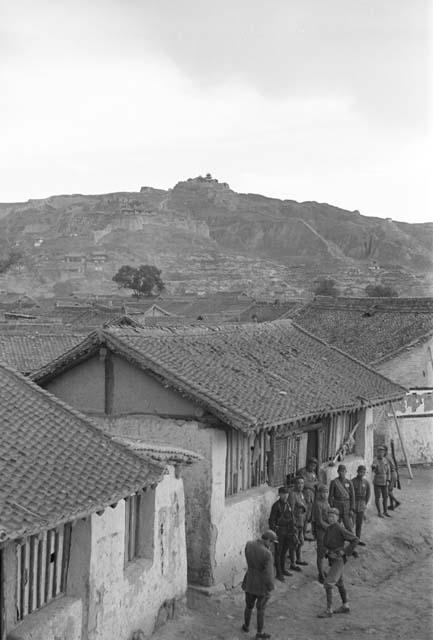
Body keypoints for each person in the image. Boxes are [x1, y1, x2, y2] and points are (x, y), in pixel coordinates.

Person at [317, 507, 359, 618]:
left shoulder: (340, 528)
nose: (330, 518)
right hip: (332, 558)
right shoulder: (329, 528)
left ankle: (329, 610)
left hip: (338, 560)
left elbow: (355, 539)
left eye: (333, 516)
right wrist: (326, 552)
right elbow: (327, 544)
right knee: (339, 583)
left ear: (337, 517)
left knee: (328, 583)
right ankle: (345, 606)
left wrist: (345, 552)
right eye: (329, 516)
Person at [241, 529, 278, 640]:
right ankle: (259, 633)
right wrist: (271, 587)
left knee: (248, 606)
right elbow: (269, 573)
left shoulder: (249, 544)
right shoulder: (267, 554)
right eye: (271, 542)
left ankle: (246, 626)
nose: (271, 545)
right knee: (261, 609)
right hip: (261, 585)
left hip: (249, 580)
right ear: (267, 540)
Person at [268, 486, 296, 581]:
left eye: (287, 494)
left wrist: (293, 530)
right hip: (279, 532)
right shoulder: (276, 506)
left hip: (287, 531)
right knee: (278, 552)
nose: (285, 496)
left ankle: (283, 569)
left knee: (284, 551)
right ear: (279, 494)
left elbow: (291, 518)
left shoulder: (288, 504)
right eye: (283, 494)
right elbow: (271, 521)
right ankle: (279, 573)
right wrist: (274, 534)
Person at [312, 483, 330, 583]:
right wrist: (328, 527)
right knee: (320, 554)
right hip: (321, 531)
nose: (325, 494)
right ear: (319, 493)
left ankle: (323, 571)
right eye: (323, 492)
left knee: (325, 552)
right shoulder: (317, 504)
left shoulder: (326, 503)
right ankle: (321, 574)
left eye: (326, 492)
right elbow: (319, 521)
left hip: (327, 530)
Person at [288, 477, 308, 569]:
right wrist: (293, 524)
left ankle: (299, 559)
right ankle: (293, 563)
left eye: (302, 483)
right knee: (294, 543)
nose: (301, 485)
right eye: (299, 483)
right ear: (295, 484)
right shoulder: (292, 495)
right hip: (295, 522)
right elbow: (291, 510)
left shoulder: (301, 494)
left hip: (301, 521)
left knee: (300, 542)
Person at [328, 464, 355, 531]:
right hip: (337, 505)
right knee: (336, 526)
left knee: (349, 527)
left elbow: (352, 496)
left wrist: (351, 509)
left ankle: (353, 540)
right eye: (340, 471)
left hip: (347, 506)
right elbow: (330, 496)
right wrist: (332, 507)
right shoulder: (334, 482)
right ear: (338, 472)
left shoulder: (349, 482)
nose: (342, 473)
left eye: (343, 471)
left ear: (346, 472)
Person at [298, 457, 319, 540]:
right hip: (303, 498)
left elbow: (317, 481)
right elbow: (304, 484)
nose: (313, 467)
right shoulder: (302, 472)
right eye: (311, 465)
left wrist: (311, 484)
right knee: (301, 517)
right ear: (308, 464)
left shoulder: (313, 473)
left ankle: (303, 534)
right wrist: (312, 485)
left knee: (307, 517)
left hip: (311, 498)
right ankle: (300, 535)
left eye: (314, 466)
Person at [351, 465, 370, 544]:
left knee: (359, 523)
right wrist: (351, 505)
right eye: (360, 472)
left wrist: (365, 503)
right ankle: (351, 539)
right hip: (354, 504)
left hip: (361, 505)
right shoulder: (352, 481)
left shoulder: (366, 482)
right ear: (357, 472)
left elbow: (368, 493)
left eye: (363, 472)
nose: (362, 474)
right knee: (352, 523)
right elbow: (350, 494)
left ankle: (358, 539)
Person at [371, 445, 391, 518]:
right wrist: (373, 467)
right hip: (377, 481)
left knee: (385, 497)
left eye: (382, 452)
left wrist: (388, 480)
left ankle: (385, 511)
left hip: (385, 481)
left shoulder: (386, 460)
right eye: (379, 452)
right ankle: (379, 512)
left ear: (384, 453)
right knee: (377, 497)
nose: (381, 454)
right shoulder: (375, 460)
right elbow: (373, 470)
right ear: (377, 452)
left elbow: (388, 471)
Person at [383, 444, 401, 511]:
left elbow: (386, 468)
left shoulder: (386, 458)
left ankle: (396, 502)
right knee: (390, 490)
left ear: (385, 451)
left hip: (392, 474)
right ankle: (392, 505)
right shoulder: (388, 456)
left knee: (388, 491)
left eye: (383, 451)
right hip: (394, 473)